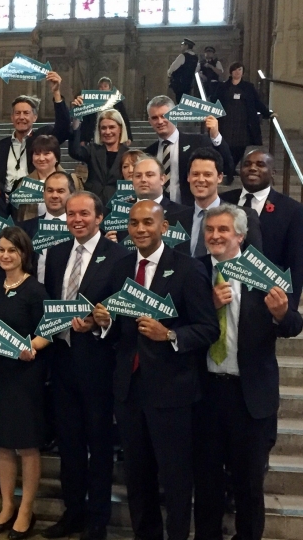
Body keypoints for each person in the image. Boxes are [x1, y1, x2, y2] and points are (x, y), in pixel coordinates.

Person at [92, 200, 219, 540]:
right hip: (129, 390)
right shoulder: (120, 268)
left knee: (175, 477)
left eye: (148, 222)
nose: (140, 229)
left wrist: (171, 335)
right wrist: (103, 323)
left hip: (172, 391)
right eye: (134, 223)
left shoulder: (188, 269)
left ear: (164, 227)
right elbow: (118, 328)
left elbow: (208, 329)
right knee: (137, 476)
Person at [193, 204, 303, 540]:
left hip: (250, 397)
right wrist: (207, 307)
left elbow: (294, 325)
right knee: (207, 482)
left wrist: (283, 313)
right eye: (210, 230)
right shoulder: (193, 272)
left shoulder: (266, 276)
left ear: (240, 235)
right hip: (205, 393)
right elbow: (180, 325)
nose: (215, 236)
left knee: (250, 486)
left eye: (223, 230)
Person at [41, 192, 128, 540]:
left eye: (84, 214)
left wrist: (100, 323)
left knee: (99, 443)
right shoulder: (58, 252)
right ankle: (72, 511)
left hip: (97, 362)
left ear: (99, 217)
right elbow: (49, 302)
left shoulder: (118, 256)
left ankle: (97, 519)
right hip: (61, 361)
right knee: (69, 443)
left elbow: (123, 313)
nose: (77, 219)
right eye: (71, 214)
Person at [0, 226, 50, 540]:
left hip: (25, 377)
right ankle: (7, 505)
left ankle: (26, 510)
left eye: (12, 250)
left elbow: (48, 329)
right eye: (2, 250)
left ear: (24, 254)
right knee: (3, 443)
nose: (6, 255)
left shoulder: (35, 289)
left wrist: (32, 347)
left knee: (26, 445)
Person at [221, 149, 303, 299]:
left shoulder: (292, 210)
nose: (252, 168)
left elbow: (296, 263)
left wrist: (288, 309)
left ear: (273, 172)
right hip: (224, 289)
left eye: (260, 164)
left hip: (265, 295)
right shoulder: (223, 200)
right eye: (247, 164)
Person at [144, 95, 234, 205]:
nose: (160, 121)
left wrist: (215, 136)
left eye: (164, 116)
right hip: (158, 213)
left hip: (191, 211)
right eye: (155, 118)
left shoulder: (198, 142)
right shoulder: (148, 153)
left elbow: (227, 165)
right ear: (149, 121)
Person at [0, 73, 70, 192]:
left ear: (35, 117)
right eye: (17, 113)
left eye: (26, 113)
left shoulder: (42, 138)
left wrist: (56, 93)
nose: (21, 117)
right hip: (8, 202)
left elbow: (64, 127)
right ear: (12, 117)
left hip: (36, 198)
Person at [186, 148, 262, 258]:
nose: (201, 179)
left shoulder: (246, 216)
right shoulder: (176, 218)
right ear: (188, 177)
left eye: (207, 174)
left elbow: (256, 264)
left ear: (220, 177)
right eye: (195, 174)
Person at [215, 63, 273, 174]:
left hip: (243, 122)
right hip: (226, 121)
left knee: (240, 147)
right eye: (235, 70)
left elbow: (257, 102)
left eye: (240, 70)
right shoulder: (223, 86)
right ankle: (229, 168)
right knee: (226, 146)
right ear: (231, 72)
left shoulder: (248, 87)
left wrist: (268, 114)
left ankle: (231, 168)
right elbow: (214, 100)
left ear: (243, 72)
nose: (237, 72)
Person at [19, 171, 76, 284]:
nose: (54, 195)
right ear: (43, 194)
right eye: (50, 190)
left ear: (71, 194)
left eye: (60, 191)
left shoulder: (79, 229)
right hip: (34, 295)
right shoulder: (25, 229)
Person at [11, 135, 82, 221]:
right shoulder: (23, 184)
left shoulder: (73, 180)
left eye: (46, 153)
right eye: (37, 154)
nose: (41, 158)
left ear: (56, 157)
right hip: (33, 231)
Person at [68, 107, 130, 205]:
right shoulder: (92, 149)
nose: (107, 132)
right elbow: (75, 152)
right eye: (103, 128)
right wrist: (76, 118)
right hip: (92, 204)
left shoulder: (128, 154)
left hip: (116, 209)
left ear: (120, 129)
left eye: (112, 127)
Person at [79, 77, 133, 145]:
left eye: (105, 86)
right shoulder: (92, 102)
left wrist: (128, 136)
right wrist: (83, 139)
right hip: (96, 136)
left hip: (114, 135)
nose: (103, 89)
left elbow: (124, 119)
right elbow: (86, 121)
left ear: (110, 88)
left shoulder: (117, 101)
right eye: (100, 87)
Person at [168, 38, 199, 102]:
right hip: (189, 84)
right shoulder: (195, 58)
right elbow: (196, 70)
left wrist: (169, 73)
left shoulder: (183, 56)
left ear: (186, 46)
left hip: (179, 84)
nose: (181, 46)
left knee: (179, 101)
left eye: (182, 44)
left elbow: (172, 68)